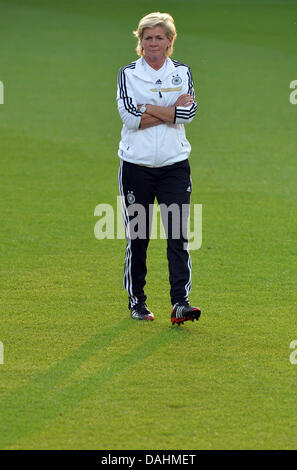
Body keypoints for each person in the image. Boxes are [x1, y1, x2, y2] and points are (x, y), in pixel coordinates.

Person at [116, 12, 201, 325]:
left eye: (159, 38)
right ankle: (138, 301)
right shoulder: (128, 73)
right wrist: (170, 110)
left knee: (177, 235)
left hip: (174, 166)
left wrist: (148, 108)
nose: (153, 43)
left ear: (170, 42)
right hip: (136, 167)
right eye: (147, 37)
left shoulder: (181, 72)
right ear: (140, 41)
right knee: (138, 237)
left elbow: (188, 114)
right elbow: (129, 118)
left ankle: (180, 302)